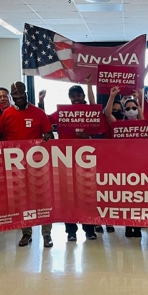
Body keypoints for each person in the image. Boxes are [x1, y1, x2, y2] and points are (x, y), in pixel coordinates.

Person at [0, 81, 54, 248]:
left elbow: (49, 135)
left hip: (38, 165)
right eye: (15, 94)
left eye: (20, 93)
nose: (18, 96)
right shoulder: (6, 113)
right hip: (16, 166)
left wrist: (48, 136)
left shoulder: (38, 113)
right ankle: (26, 233)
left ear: (26, 93)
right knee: (23, 200)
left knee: (44, 199)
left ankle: (46, 234)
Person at [38, 76, 98, 241]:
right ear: (69, 98)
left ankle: (89, 230)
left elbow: (100, 131)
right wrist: (41, 102)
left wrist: (88, 137)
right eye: (73, 96)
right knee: (67, 197)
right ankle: (71, 232)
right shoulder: (64, 112)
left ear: (83, 96)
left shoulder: (91, 112)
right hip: (66, 160)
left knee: (87, 196)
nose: (76, 98)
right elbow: (46, 120)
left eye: (78, 95)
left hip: (87, 159)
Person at [105, 86, 142, 237]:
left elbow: (142, 116)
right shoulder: (119, 123)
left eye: (134, 108)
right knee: (127, 198)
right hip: (123, 167)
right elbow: (108, 114)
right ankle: (128, 226)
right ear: (124, 110)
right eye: (128, 108)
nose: (131, 110)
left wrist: (139, 101)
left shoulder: (142, 124)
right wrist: (112, 95)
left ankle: (138, 226)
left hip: (140, 166)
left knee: (138, 198)